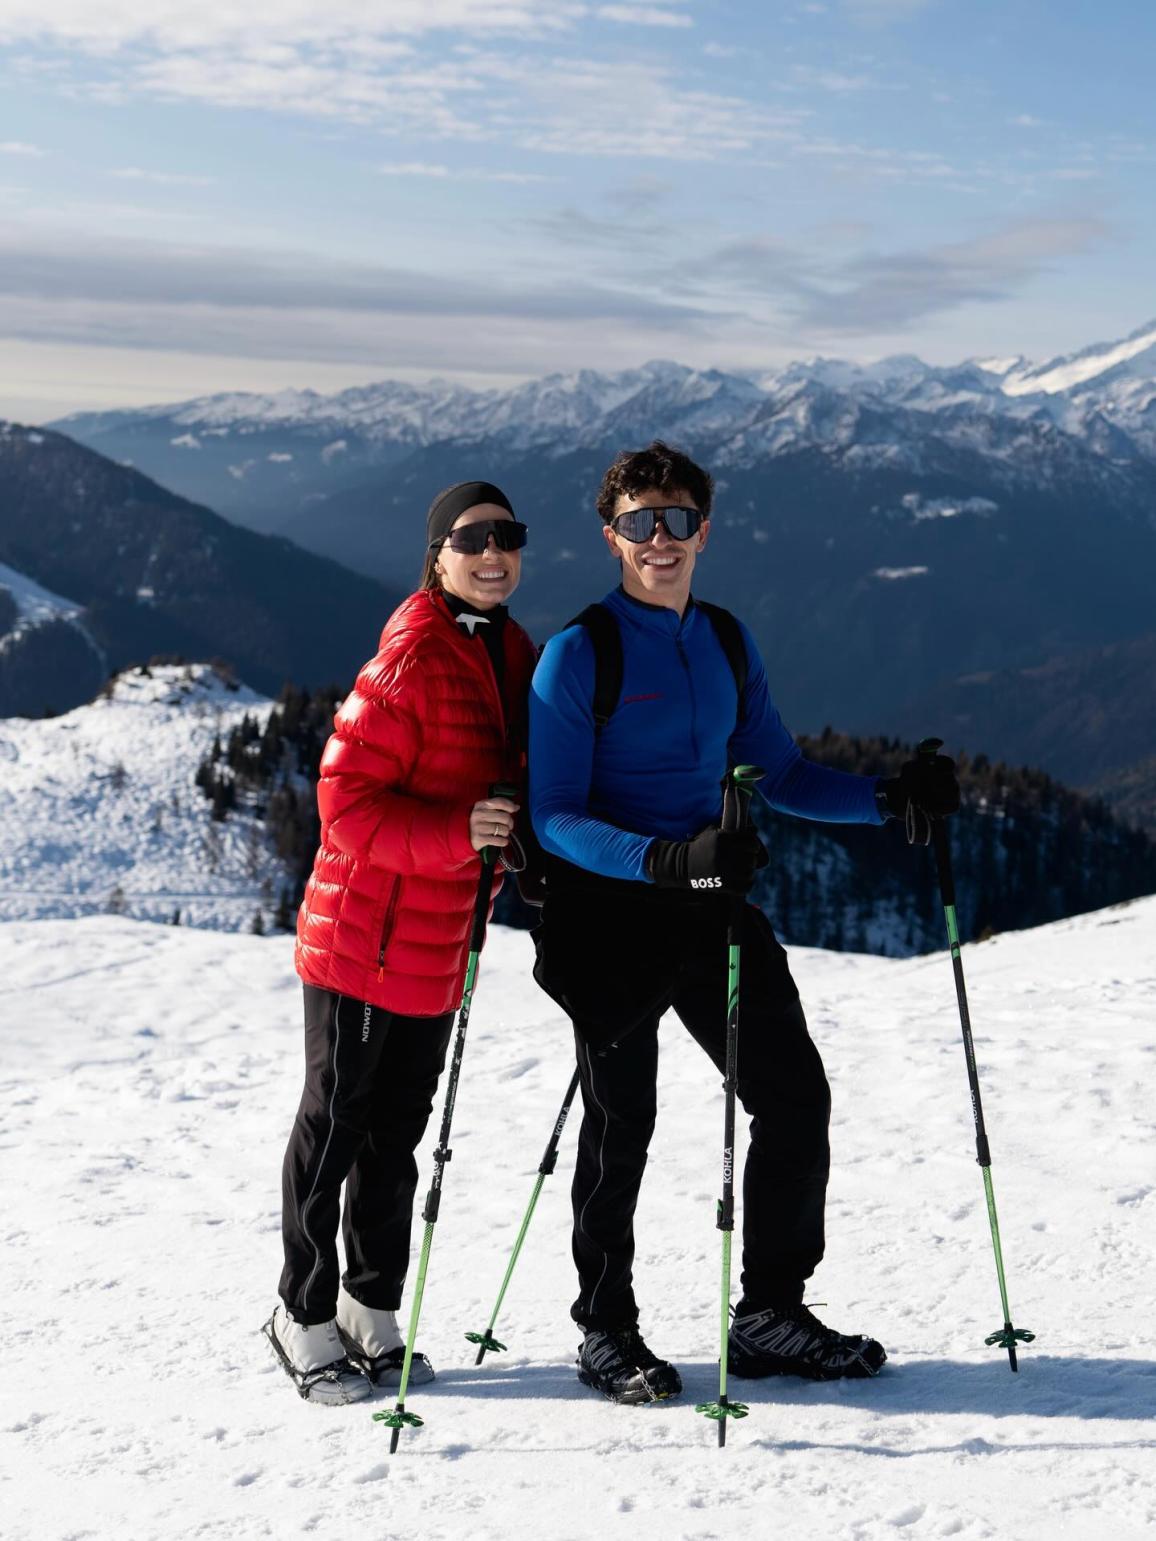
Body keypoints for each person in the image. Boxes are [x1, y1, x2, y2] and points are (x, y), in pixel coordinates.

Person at [529, 441, 959, 1405]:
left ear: (705, 529)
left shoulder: (725, 640)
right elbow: (553, 815)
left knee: (794, 1095)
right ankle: (606, 1328)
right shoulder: (579, 653)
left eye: (678, 519)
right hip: (605, 917)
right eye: (641, 522)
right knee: (622, 1122)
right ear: (611, 536)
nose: (662, 538)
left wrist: (888, 799)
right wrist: (664, 859)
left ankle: (769, 1313)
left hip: (709, 901)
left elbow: (786, 773)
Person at [265, 481, 536, 1404]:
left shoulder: (511, 651)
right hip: (361, 938)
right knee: (336, 1124)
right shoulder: (412, 656)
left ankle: (368, 1308)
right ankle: (299, 1313)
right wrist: (460, 831)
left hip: (439, 942)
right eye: (472, 539)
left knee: (396, 1137)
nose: (493, 553)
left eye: (507, 536)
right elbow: (344, 807)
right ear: (438, 554)